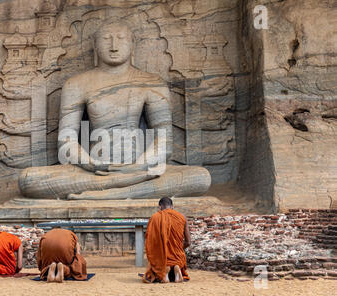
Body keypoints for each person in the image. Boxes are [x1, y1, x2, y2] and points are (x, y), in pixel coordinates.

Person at [18, 20, 211, 200]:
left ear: (132, 44)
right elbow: (66, 143)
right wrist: (91, 164)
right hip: (94, 170)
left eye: (121, 38)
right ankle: (127, 189)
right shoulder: (76, 84)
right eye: (106, 39)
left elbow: (164, 142)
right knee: (28, 179)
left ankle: (101, 195)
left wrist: (137, 167)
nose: (113, 45)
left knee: (200, 177)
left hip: (140, 168)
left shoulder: (151, 83)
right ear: (95, 46)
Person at [143, 197, 191, 283]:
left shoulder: (155, 217)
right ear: (172, 207)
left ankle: (165, 274)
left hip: (162, 259)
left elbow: (151, 243)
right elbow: (188, 242)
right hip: (177, 257)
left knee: (156, 260)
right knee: (177, 259)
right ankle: (176, 268)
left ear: (160, 207)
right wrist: (178, 249)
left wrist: (161, 251)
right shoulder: (182, 217)